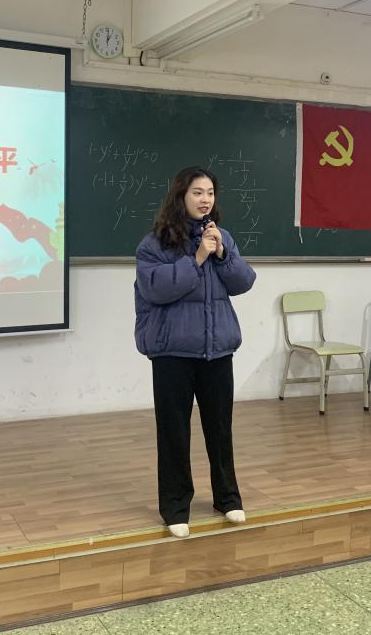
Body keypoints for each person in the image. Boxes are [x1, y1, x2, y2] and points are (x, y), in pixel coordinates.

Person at [134, 166, 257, 538]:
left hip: (217, 349)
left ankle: (228, 498)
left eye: (210, 193)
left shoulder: (221, 237)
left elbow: (244, 281)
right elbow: (156, 289)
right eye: (197, 193)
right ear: (180, 196)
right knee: (174, 431)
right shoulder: (154, 244)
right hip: (172, 352)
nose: (205, 200)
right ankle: (175, 507)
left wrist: (222, 253)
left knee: (220, 428)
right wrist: (198, 257)